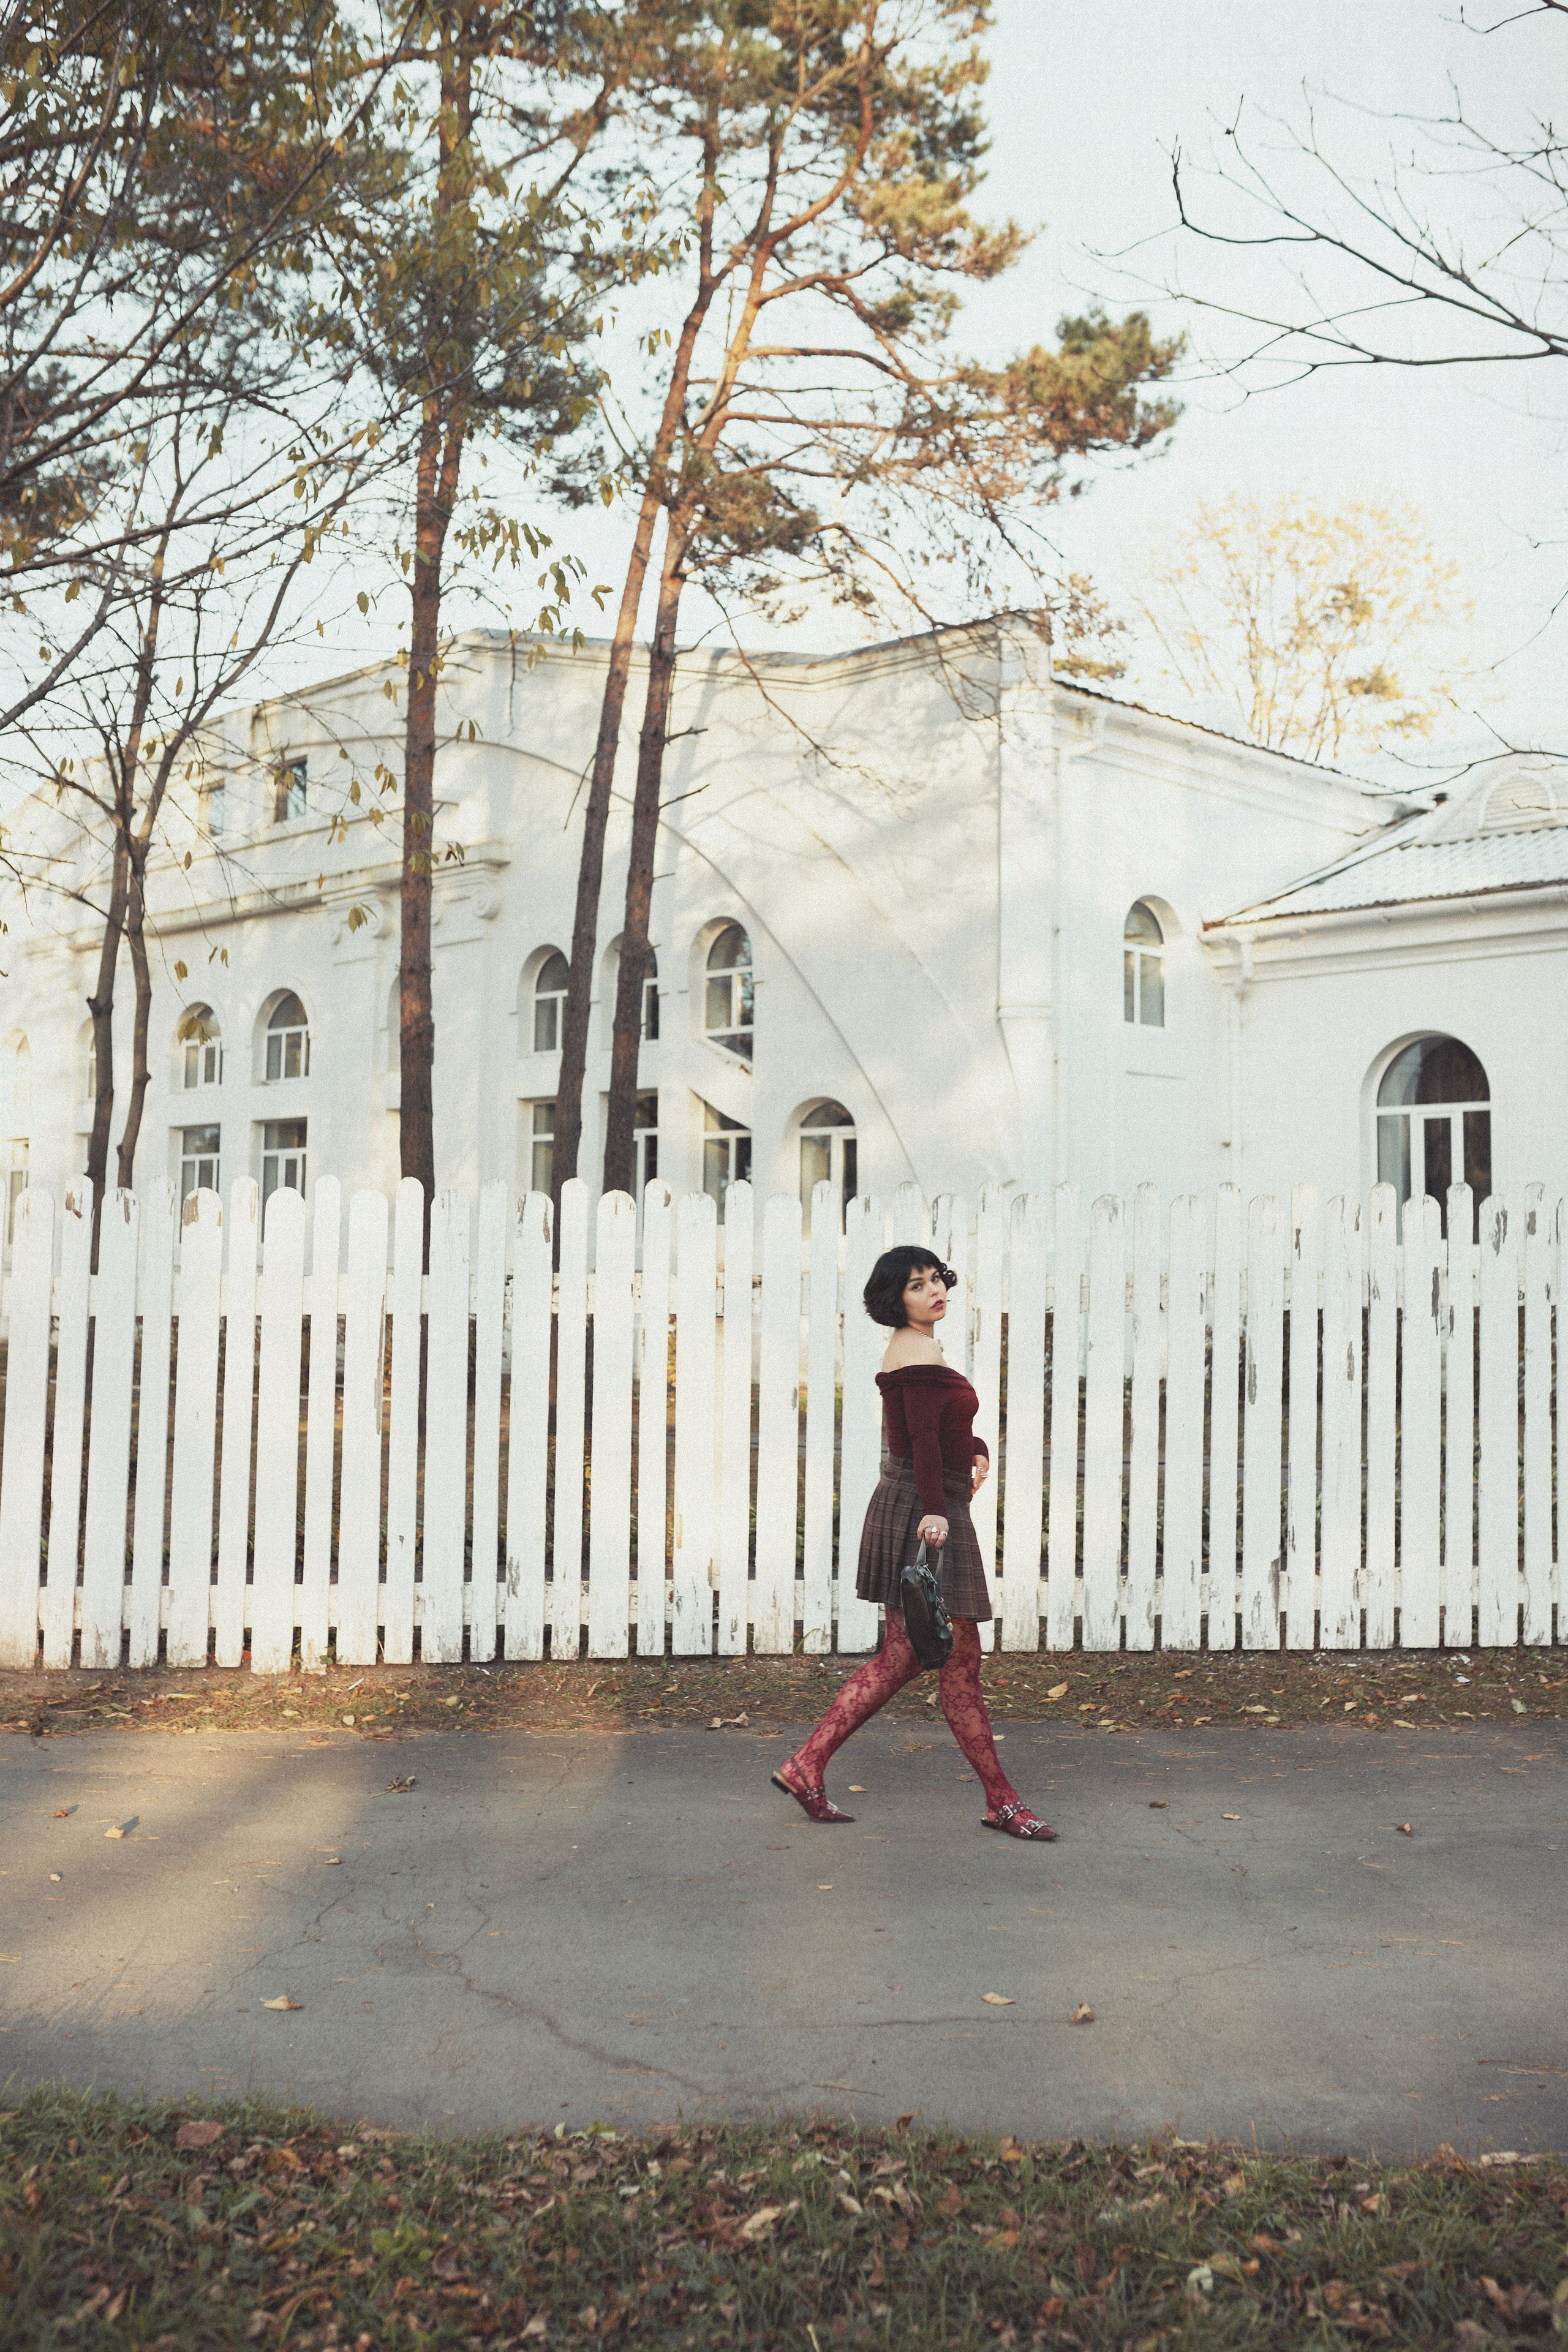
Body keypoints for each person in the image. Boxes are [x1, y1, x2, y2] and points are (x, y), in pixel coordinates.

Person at [772, 1244, 1057, 1841]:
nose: (933, 1290)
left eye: (935, 1279)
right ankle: (1000, 1801)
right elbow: (922, 1444)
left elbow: (933, 1431)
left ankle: (807, 1764)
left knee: (907, 1658)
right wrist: (934, 1511)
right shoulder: (917, 1348)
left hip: (919, 1502)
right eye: (916, 1285)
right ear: (894, 1299)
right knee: (959, 1664)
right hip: (922, 1510)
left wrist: (973, 1450)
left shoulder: (918, 1349)